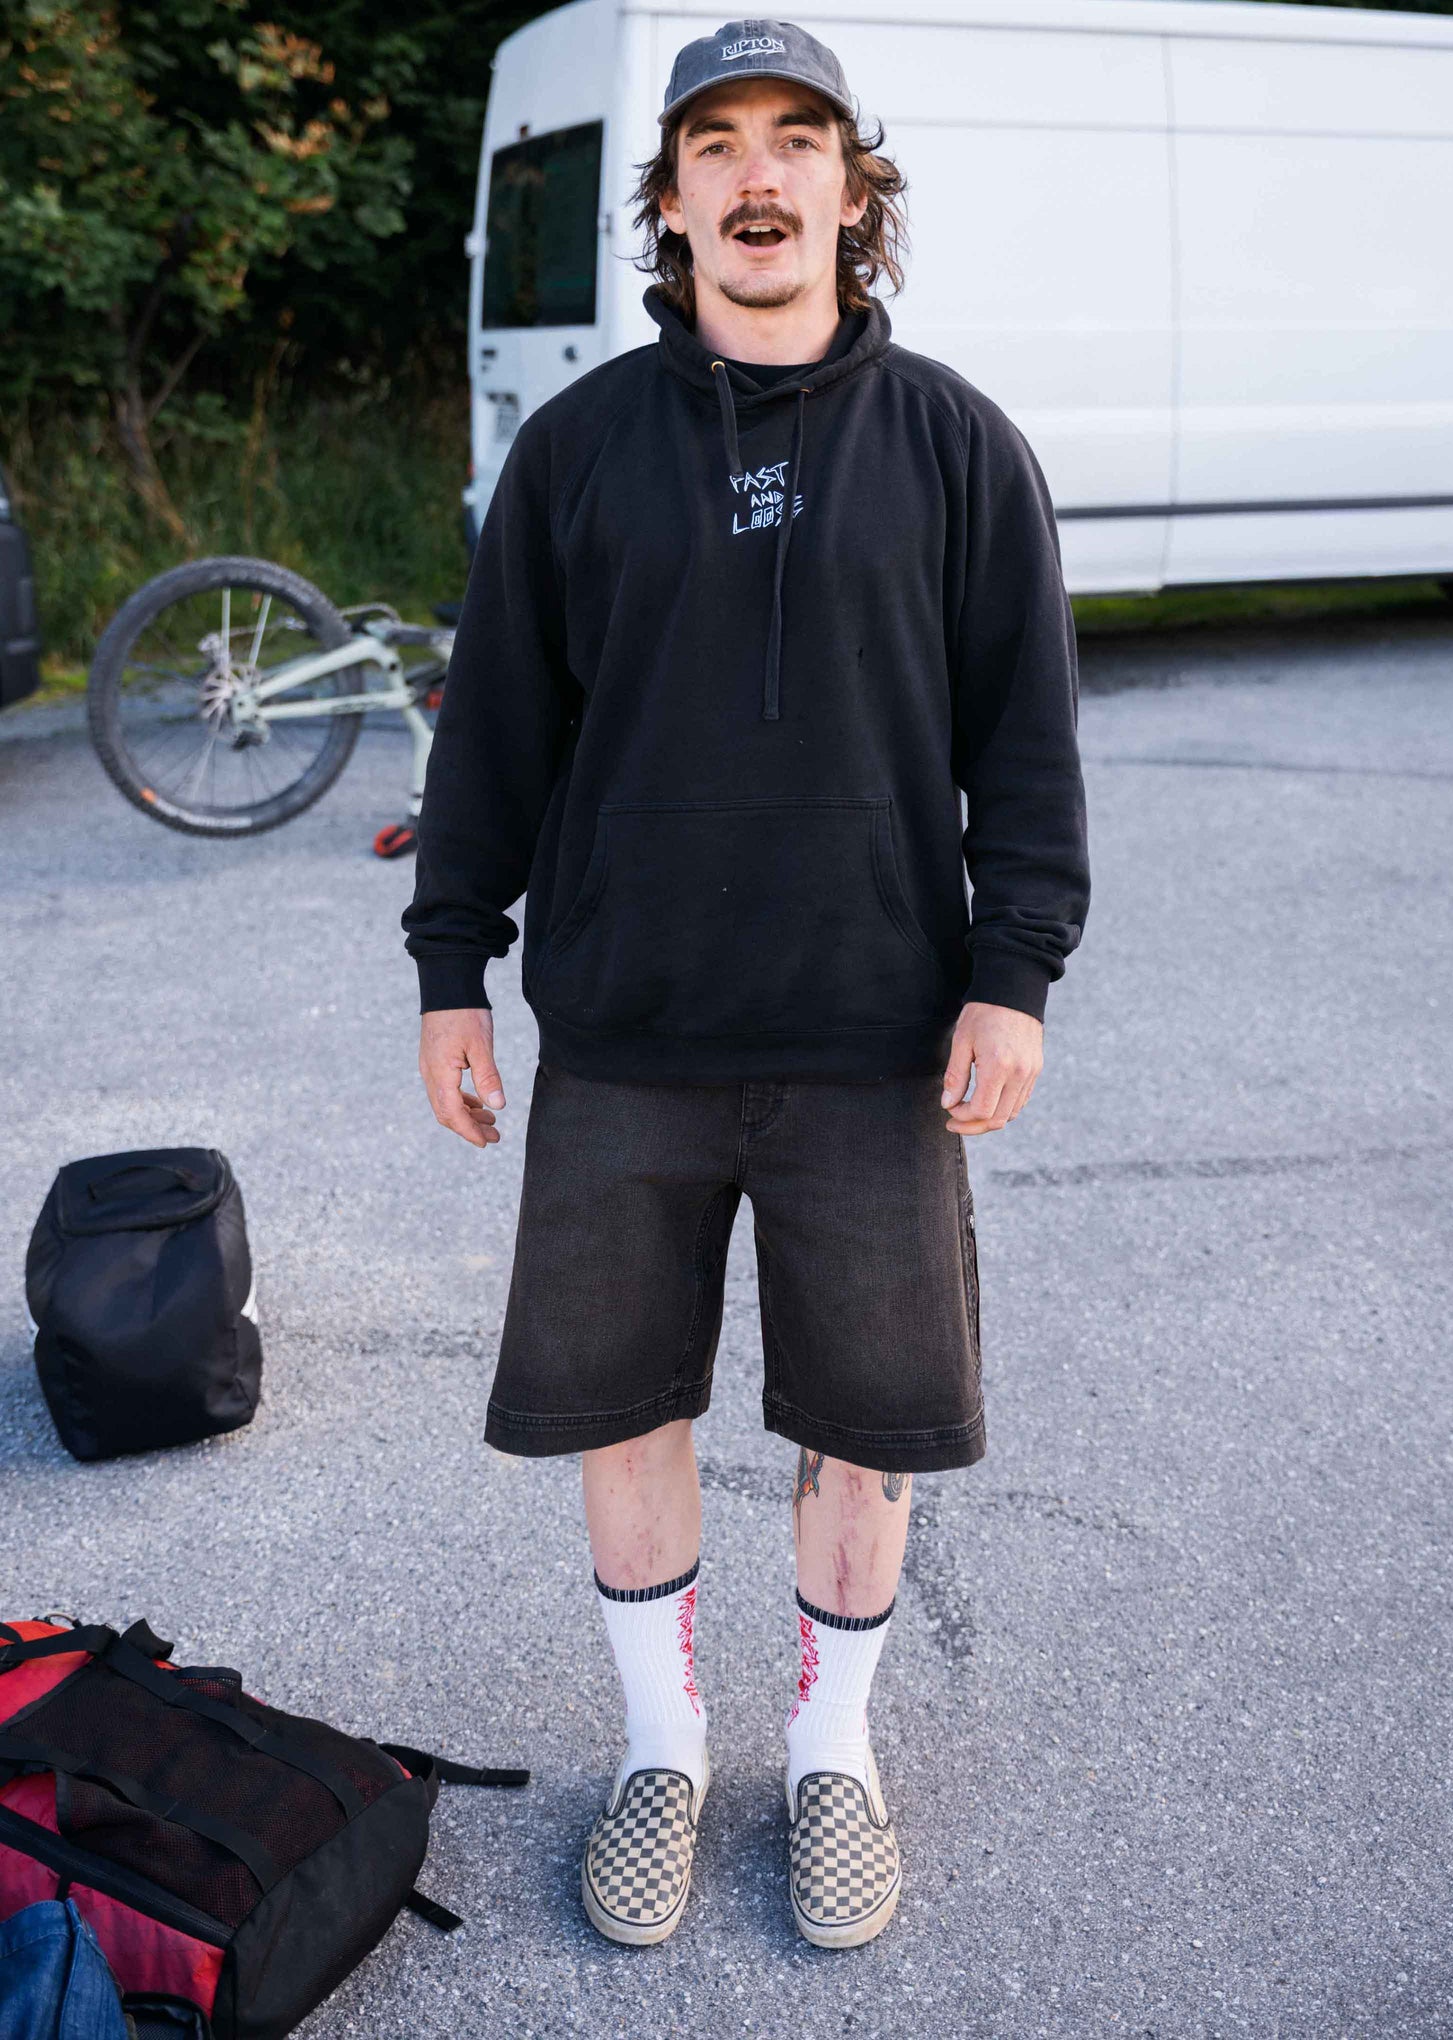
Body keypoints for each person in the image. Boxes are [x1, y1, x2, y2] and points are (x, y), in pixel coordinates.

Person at [401, 16, 1090, 1952]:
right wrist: (454, 968)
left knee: (864, 1424)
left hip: (878, 1037)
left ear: (855, 193)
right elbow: (499, 739)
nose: (760, 175)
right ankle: (659, 1753)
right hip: (628, 1032)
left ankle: (838, 1761)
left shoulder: (955, 441)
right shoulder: (582, 447)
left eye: (801, 141)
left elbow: (1026, 746)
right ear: (676, 198)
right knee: (625, 1412)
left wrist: (1012, 972)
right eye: (719, 146)